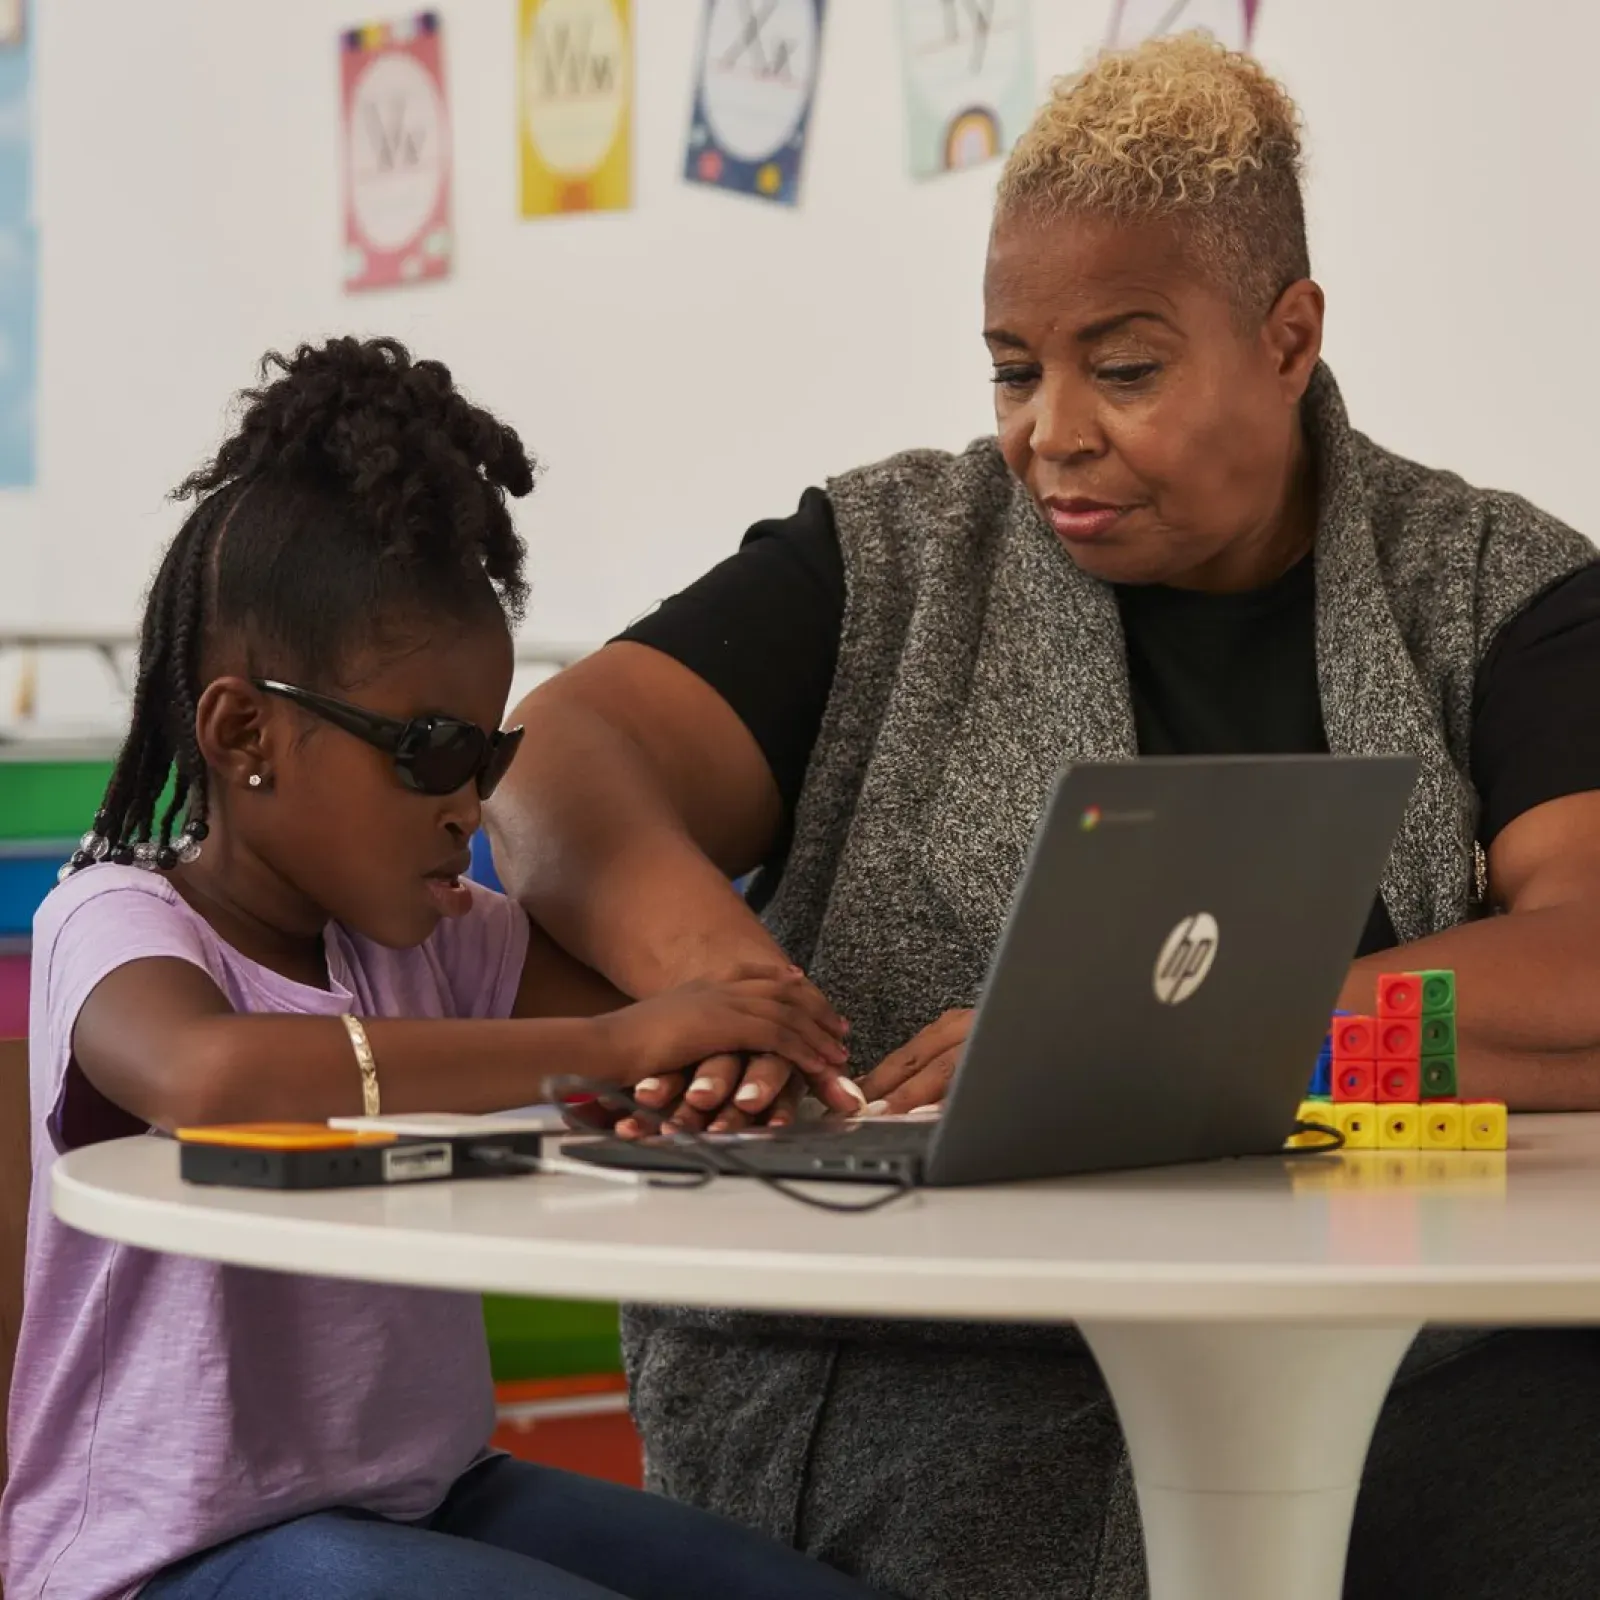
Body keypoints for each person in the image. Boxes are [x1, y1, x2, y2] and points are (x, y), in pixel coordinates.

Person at [487, 34, 1600, 1600]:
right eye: (1015, 366)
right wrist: (732, 991)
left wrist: (1193, 1052)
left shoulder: (1499, 589)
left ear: (1290, 337)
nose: (1051, 433)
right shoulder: (890, 558)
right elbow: (556, 761)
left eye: (1124, 368)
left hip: (1408, 1385)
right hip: (929, 1394)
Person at [0, 338, 883, 1600]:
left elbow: (679, 1032)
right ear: (245, 730)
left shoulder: (438, 940)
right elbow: (210, 1072)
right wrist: (613, 1047)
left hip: (425, 1491)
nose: (466, 805)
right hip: (170, 1555)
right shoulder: (122, 919)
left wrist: (763, 1044)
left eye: (489, 755)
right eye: (425, 751)